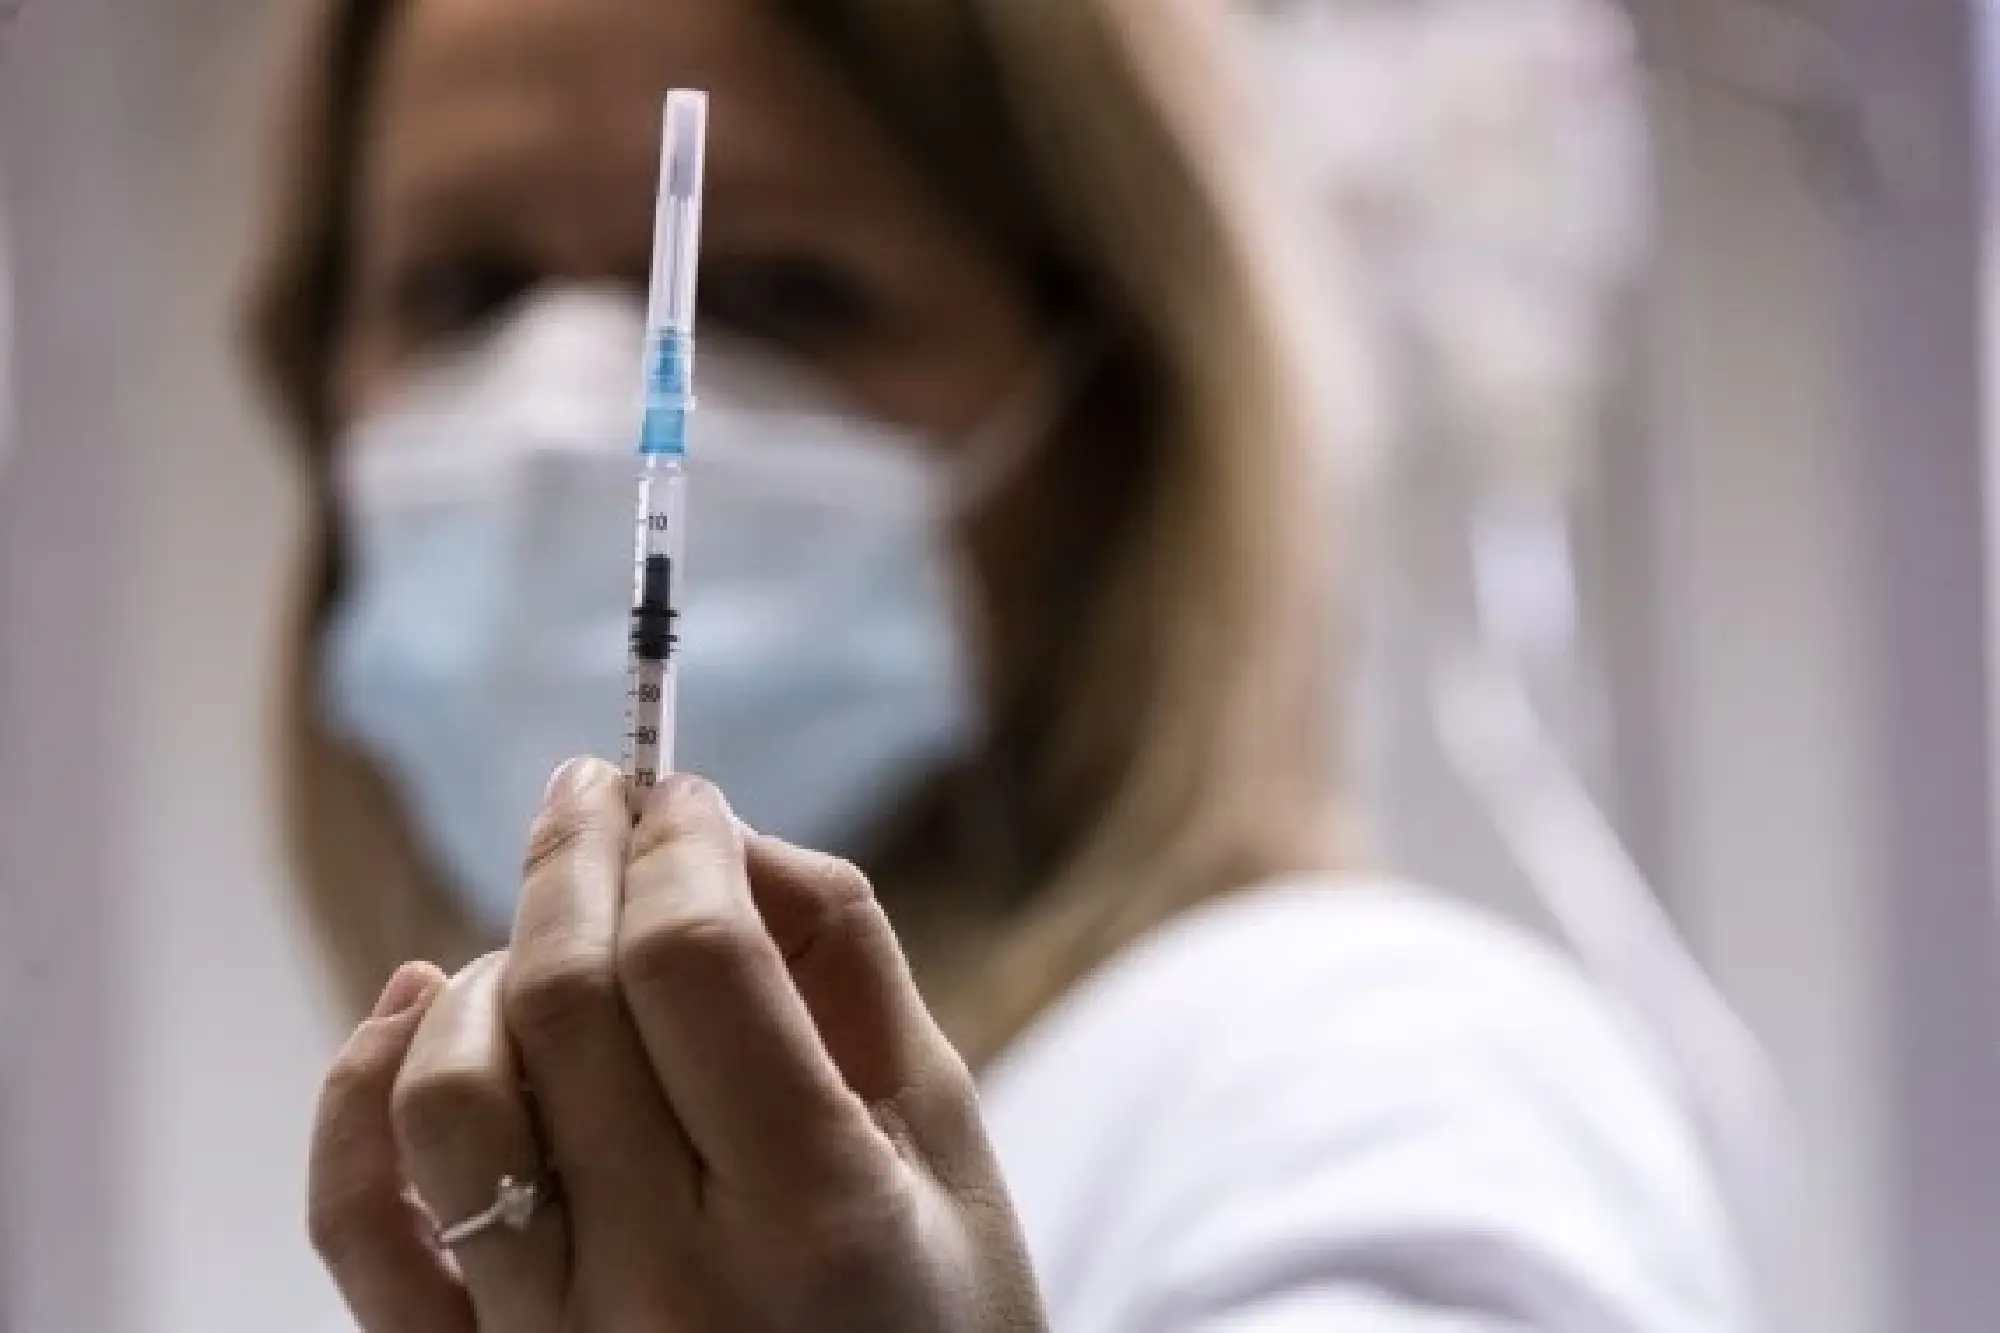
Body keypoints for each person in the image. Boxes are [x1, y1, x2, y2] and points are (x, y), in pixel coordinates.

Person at [242, 0, 1750, 1328]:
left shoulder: (1369, 1077)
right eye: (463, 291)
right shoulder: (489, 1185)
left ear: (1111, 419)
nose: (563, 408)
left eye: (782, 291)